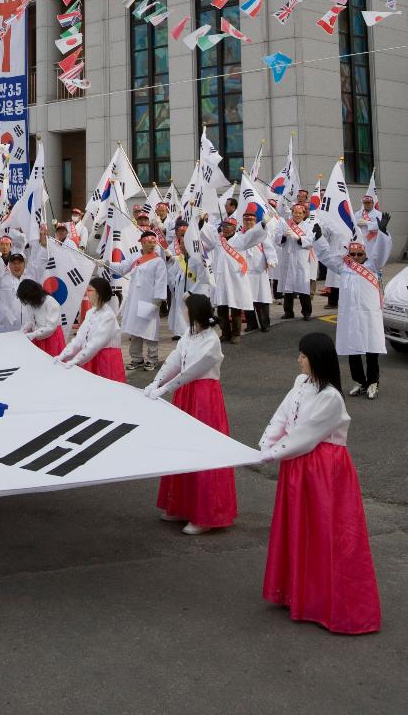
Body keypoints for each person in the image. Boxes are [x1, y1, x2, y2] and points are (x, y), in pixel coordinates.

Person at [259, 333, 380, 634]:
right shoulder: (301, 384)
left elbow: (305, 436)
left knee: (326, 533)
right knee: (299, 528)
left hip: (324, 470)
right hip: (298, 463)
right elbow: (282, 416)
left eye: (303, 355)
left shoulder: (330, 397)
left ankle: (327, 601)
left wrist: (271, 454)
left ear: (317, 359)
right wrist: (265, 444)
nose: (298, 359)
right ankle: (298, 592)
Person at [147, 293, 237, 535]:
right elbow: (175, 360)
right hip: (185, 395)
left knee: (203, 450)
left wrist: (164, 388)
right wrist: (155, 382)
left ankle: (205, 514)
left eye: (186, 309)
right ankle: (180, 505)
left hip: (204, 398)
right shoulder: (189, 334)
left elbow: (192, 371)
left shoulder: (211, 341)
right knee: (182, 447)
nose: (183, 312)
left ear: (194, 311)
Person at [313, 215, 392, 399]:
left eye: (359, 254)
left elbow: (381, 251)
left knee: (372, 349)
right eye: (353, 254)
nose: (356, 258)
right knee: (353, 348)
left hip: (369, 315)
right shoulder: (344, 267)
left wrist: (383, 232)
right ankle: (360, 381)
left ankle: (373, 382)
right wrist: (318, 239)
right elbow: (326, 256)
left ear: (365, 255)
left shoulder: (373, 266)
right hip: (350, 315)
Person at [199, 214, 268, 343]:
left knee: (236, 306)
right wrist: (202, 222)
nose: (224, 228)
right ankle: (225, 333)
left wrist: (262, 225)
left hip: (235, 278)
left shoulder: (241, 239)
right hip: (221, 278)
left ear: (234, 227)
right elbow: (206, 239)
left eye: (227, 226)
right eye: (223, 226)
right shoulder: (218, 240)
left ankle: (236, 334)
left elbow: (252, 235)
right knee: (222, 307)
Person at [117, 229, 174, 370]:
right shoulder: (135, 257)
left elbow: (161, 281)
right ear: (142, 243)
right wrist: (106, 263)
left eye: (154, 242)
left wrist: (158, 300)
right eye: (149, 242)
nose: (152, 245)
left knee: (149, 330)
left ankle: (152, 359)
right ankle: (137, 359)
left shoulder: (158, 261)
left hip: (150, 300)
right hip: (135, 299)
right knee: (135, 330)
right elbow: (122, 268)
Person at [57, 276, 125, 380]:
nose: (87, 293)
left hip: (105, 360)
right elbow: (79, 338)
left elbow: (96, 343)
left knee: (106, 388)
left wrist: (75, 360)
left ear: (99, 293)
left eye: (89, 290)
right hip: (90, 356)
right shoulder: (90, 312)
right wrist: (63, 355)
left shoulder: (108, 316)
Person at [0, 242, 44, 334]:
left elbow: (39, 263)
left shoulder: (30, 278)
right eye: (14, 263)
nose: (17, 266)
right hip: (6, 328)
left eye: (19, 263)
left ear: (24, 264)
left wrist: (43, 246)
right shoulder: (3, 278)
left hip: (27, 328)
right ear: (9, 265)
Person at [240, 207, 278, 333]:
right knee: (247, 299)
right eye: (246, 220)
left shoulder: (261, 233)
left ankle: (265, 323)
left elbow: (269, 248)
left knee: (262, 299)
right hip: (245, 272)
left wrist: (271, 260)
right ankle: (252, 324)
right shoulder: (239, 235)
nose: (249, 223)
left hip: (259, 270)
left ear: (255, 221)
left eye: (251, 220)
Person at [275, 202, 315, 319]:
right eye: (295, 213)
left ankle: (307, 312)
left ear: (304, 215)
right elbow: (277, 239)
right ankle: (288, 311)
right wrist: (283, 235)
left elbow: (310, 241)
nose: (297, 215)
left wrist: (298, 237)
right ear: (291, 213)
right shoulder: (285, 224)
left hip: (301, 259)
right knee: (287, 287)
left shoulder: (308, 226)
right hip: (287, 258)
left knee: (303, 286)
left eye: (300, 213)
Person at [16, 279, 65, 356]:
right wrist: (24, 329)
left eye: (28, 299)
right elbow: (31, 320)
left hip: (51, 338)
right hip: (37, 335)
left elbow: (51, 328)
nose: (27, 303)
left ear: (33, 295)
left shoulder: (50, 302)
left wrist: (33, 335)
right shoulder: (31, 303)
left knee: (51, 360)